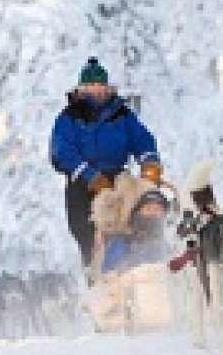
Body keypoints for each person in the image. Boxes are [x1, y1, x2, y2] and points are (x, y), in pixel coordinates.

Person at [50, 57, 163, 271]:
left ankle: (136, 266)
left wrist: (150, 163)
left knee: (133, 222)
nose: (96, 90)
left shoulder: (121, 114)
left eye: (100, 85)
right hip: (82, 185)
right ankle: (97, 277)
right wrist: (89, 176)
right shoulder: (69, 118)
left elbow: (142, 139)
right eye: (91, 86)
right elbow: (61, 152)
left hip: (118, 181)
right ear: (81, 89)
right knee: (90, 236)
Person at [101, 189, 170, 274]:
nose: (152, 213)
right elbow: (108, 275)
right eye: (148, 209)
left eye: (157, 209)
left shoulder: (168, 247)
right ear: (137, 213)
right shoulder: (123, 242)